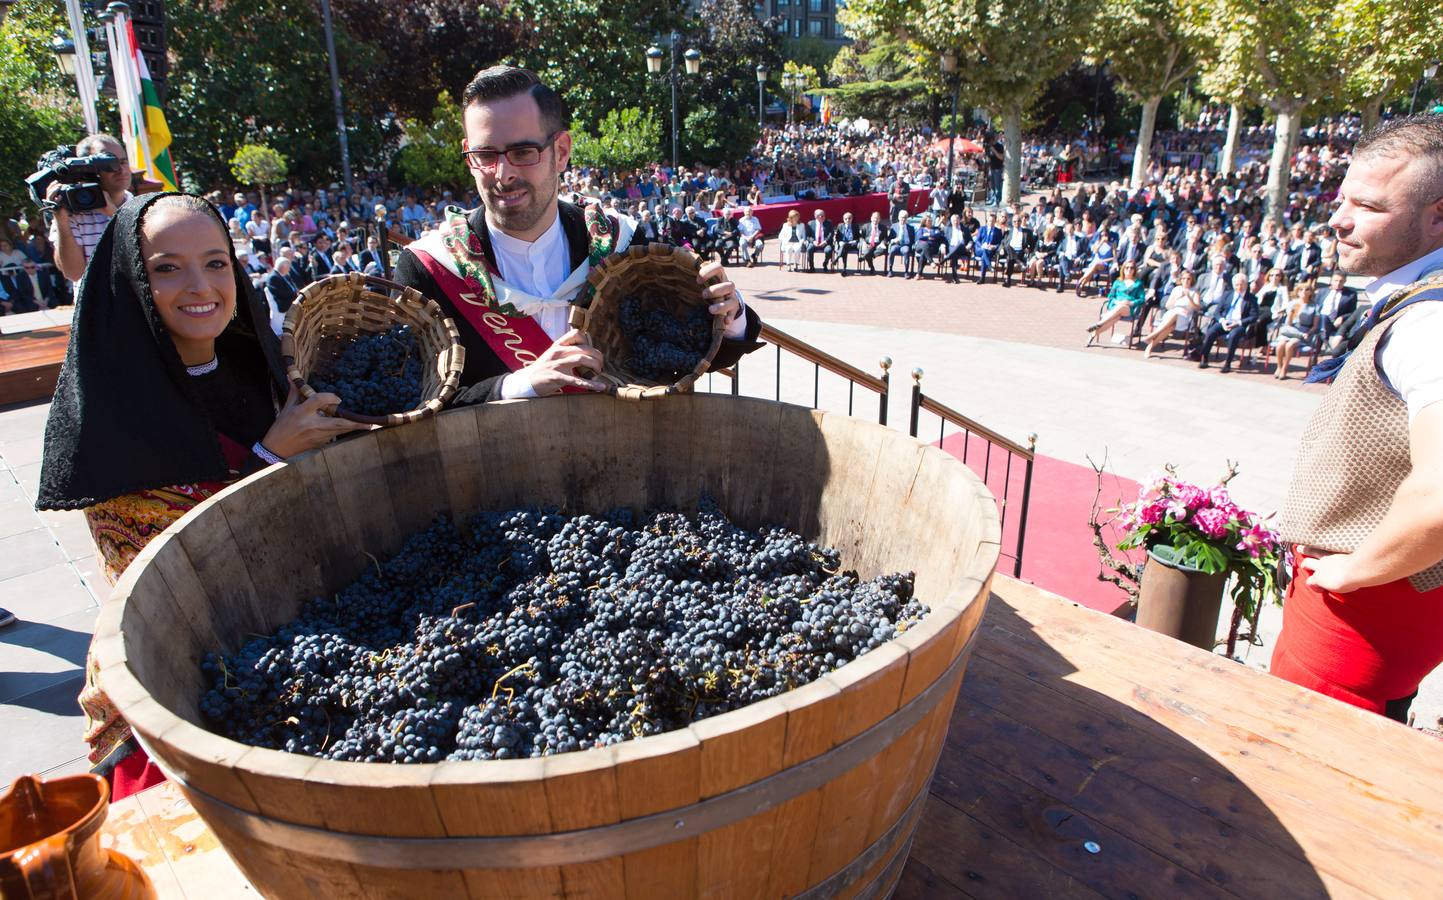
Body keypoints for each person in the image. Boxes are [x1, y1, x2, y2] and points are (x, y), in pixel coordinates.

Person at [35, 193, 369, 800]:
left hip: (298, 628)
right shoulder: (113, 413)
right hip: (186, 675)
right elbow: (160, 566)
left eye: (217, 263)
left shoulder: (258, 368)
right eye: (167, 267)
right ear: (133, 279)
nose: (201, 285)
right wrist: (271, 456)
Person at [393, 66, 760, 401]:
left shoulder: (621, 241)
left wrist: (729, 316)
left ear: (562, 151)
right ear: (468, 155)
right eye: (485, 154)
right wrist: (520, 384)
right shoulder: (429, 269)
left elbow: (683, 356)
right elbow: (412, 400)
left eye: (523, 152)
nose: (502, 173)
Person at [1275, 116, 1443, 723]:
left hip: (1356, 621)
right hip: (1388, 612)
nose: (1338, 219)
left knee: (1304, 769)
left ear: (1438, 215)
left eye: (1368, 206)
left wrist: (1354, 572)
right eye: (1341, 198)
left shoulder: (1429, 326)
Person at [47, 134, 133, 288]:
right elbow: (74, 273)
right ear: (88, 171)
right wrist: (61, 221)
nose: (120, 169)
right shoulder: (71, 214)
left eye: (123, 161)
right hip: (94, 310)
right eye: (109, 163)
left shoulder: (146, 207)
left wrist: (116, 216)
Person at [1196, 272, 1259, 373]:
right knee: (1211, 331)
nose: (1239, 287)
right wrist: (1223, 321)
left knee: (1234, 335)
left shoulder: (1251, 299)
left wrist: (1238, 322)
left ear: (1246, 285)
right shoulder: (1227, 295)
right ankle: (1205, 357)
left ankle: (1228, 363)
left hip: (1239, 324)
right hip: (1225, 321)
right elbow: (1217, 312)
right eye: (1237, 285)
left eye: (1241, 284)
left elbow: (1254, 316)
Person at [1143, 268, 1201, 359]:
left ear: (1192, 280)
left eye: (1188, 279)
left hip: (1185, 316)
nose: (1186, 281)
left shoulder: (1194, 291)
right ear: (1181, 279)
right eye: (1184, 278)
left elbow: (1197, 307)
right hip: (1173, 313)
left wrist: (1189, 298)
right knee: (1170, 325)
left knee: (1176, 315)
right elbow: (1168, 306)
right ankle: (1149, 348)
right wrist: (1177, 298)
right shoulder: (1176, 289)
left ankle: (1151, 336)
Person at [1085, 260, 1146, 346]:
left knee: (1121, 307)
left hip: (1129, 309)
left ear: (1134, 270)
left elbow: (1142, 299)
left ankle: (1099, 324)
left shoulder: (1138, 283)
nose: (1129, 270)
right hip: (1115, 306)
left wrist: (1131, 303)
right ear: (1123, 269)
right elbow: (1110, 296)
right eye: (1127, 267)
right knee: (1115, 318)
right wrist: (1117, 302)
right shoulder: (1118, 282)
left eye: (1131, 268)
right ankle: (1093, 334)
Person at [1272, 278, 1321, 380]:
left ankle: (1285, 368)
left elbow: (1315, 326)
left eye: (1306, 290)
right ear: (1297, 292)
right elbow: (1288, 323)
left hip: (1304, 331)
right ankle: (1279, 366)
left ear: (1310, 292)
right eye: (1301, 290)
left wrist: (1309, 332)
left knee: (1289, 345)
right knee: (1281, 344)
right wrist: (1291, 314)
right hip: (1290, 330)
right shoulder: (1293, 303)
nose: (1303, 292)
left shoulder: (1314, 306)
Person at [884, 210, 916, 278]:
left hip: (905, 245)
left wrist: (911, 244)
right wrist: (894, 240)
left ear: (907, 218)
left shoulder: (911, 228)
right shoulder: (894, 226)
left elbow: (913, 240)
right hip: (896, 244)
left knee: (906, 251)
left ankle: (906, 272)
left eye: (905, 217)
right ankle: (890, 270)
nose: (903, 219)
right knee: (892, 250)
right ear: (898, 218)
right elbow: (889, 238)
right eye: (901, 217)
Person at [804, 208, 835, 273]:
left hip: (825, 243)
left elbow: (831, 234)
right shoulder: (810, 223)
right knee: (809, 249)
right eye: (821, 216)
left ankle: (825, 264)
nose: (823, 217)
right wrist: (813, 241)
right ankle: (811, 267)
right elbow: (807, 236)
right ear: (816, 216)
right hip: (815, 242)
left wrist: (825, 241)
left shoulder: (828, 223)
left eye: (824, 215)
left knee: (828, 250)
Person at [832, 211, 859, 276]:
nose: (848, 220)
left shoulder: (855, 226)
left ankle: (837, 258)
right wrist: (840, 242)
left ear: (852, 219)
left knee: (844, 247)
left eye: (849, 218)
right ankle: (844, 269)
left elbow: (858, 237)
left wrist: (855, 241)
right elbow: (837, 237)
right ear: (843, 219)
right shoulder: (840, 226)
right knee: (844, 248)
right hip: (842, 245)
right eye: (846, 219)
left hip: (852, 245)